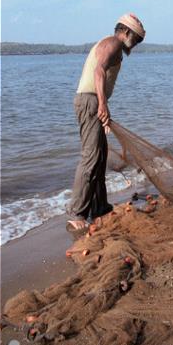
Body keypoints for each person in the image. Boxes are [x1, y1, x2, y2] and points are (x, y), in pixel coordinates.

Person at [65, 13, 146, 233]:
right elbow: (99, 70)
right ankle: (76, 213)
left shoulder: (117, 48)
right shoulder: (112, 43)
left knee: (100, 157)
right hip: (90, 101)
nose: (135, 44)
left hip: (92, 101)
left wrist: (102, 103)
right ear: (126, 32)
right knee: (91, 157)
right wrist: (102, 104)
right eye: (136, 39)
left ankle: (99, 207)